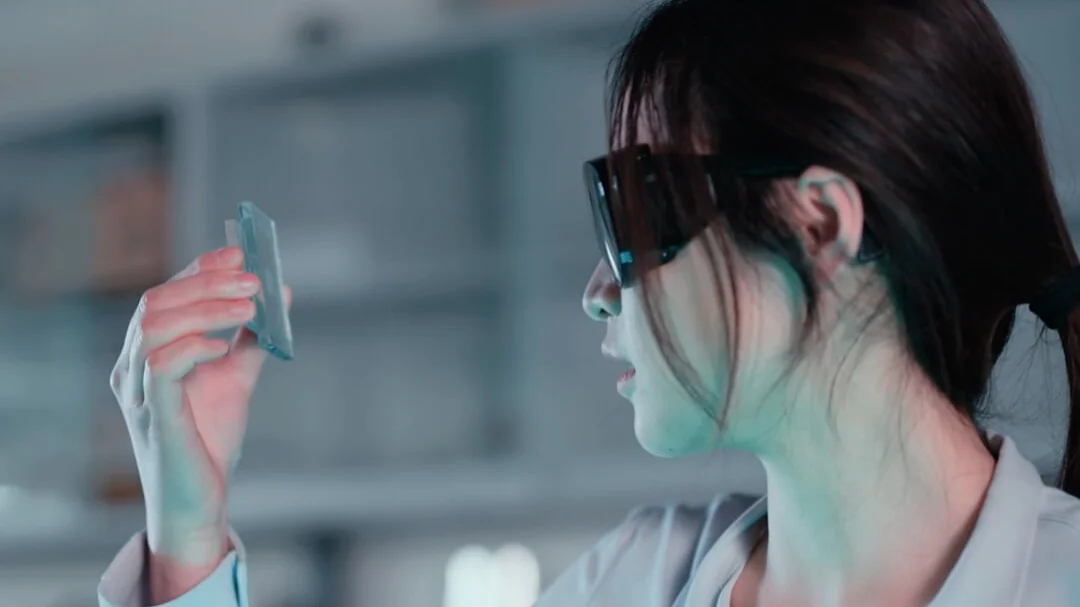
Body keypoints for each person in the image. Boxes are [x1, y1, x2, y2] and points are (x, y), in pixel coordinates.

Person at [97, 0, 1080, 605]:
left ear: (818, 224)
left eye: (635, 208)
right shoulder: (633, 580)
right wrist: (185, 525)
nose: (598, 291)